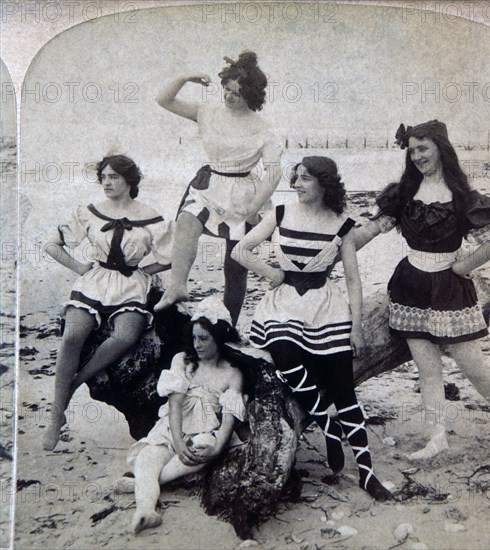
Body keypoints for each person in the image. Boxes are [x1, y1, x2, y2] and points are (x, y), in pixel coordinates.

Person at [353, 120, 490, 460]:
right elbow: (369, 232)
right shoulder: (404, 194)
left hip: (451, 289)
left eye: (423, 148)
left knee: (472, 364)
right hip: (410, 285)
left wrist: (462, 266)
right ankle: (437, 436)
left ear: (441, 148)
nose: (417, 156)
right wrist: (336, 247)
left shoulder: (463, 197)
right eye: (412, 151)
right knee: (428, 368)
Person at [231, 156, 393, 501]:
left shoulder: (342, 223)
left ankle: (367, 473)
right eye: (296, 177)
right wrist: (273, 274)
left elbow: (352, 278)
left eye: (305, 179)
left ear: (324, 184)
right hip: (284, 304)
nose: (296, 183)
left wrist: (357, 328)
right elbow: (240, 250)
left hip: (326, 305)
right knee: (284, 354)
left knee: (344, 389)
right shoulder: (280, 213)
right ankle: (327, 422)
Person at [42, 155, 173, 451]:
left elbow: (171, 256)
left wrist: (143, 271)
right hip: (95, 280)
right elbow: (51, 244)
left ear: (130, 180)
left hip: (130, 285)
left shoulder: (151, 217)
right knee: (72, 336)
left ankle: (74, 385)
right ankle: (55, 415)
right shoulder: (90, 212)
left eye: (113, 177)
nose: (107, 182)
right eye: (103, 177)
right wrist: (78, 268)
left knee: (126, 335)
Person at [154, 51, 283, 324]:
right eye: (226, 89)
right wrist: (185, 77)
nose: (229, 96)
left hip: (243, 192)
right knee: (187, 221)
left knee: (236, 263)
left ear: (251, 95)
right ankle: (178, 285)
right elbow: (163, 99)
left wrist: (255, 207)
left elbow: (273, 173)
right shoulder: (207, 112)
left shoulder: (264, 129)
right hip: (209, 182)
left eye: (236, 92)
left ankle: (229, 324)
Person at [113, 297, 246, 534]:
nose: (197, 344)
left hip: (204, 431)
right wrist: (176, 441)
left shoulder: (232, 374)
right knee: (147, 457)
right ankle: (145, 510)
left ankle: (144, 482)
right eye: (194, 337)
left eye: (204, 338)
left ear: (220, 338)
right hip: (172, 428)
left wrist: (216, 450)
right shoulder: (183, 361)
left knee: (203, 447)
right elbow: (174, 407)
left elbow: (228, 418)